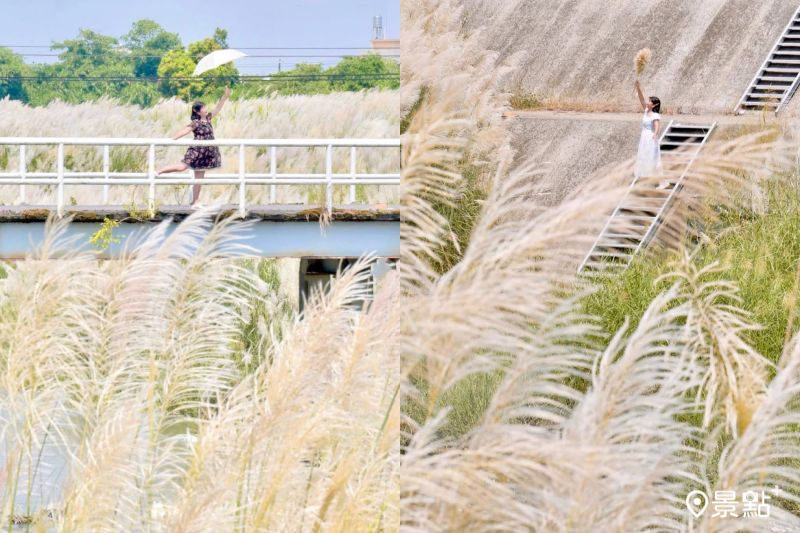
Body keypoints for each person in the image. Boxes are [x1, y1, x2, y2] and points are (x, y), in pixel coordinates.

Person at [157, 85, 231, 208]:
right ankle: (158, 172)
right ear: (197, 111)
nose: (206, 109)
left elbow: (218, 107)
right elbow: (185, 130)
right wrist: (172, 139)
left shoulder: (208, 119)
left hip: (207, 152)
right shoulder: (196, 123)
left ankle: (195, 202)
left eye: (205, 107)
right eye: (203, 108)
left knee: (199, 178)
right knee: (182, 167)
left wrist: (225, 96)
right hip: (197, 150)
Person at [633, 80, 665, 187]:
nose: (648, 102)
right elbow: (641, 99)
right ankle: (646, 180)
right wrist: (638, 87)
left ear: (654, 104)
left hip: (650, 138)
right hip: (644, 137)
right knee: (645, 157)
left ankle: (660, 181)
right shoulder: (646, 111)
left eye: (650, 101)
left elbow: (657, 126)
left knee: (654, 158)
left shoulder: (655, 115)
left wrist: (655, 134)